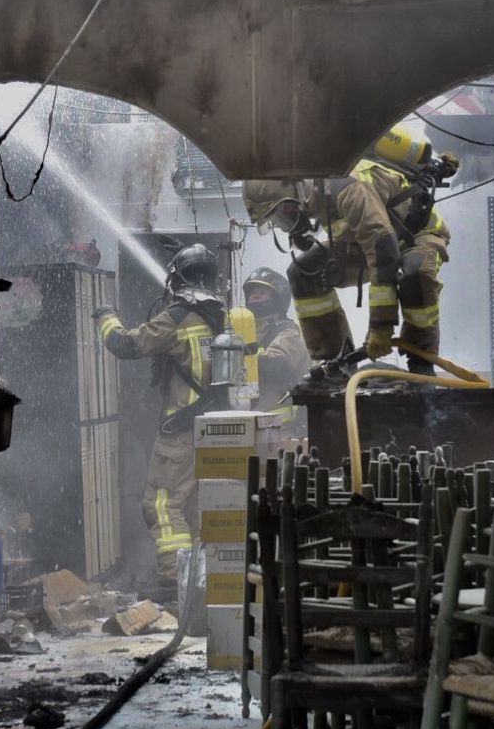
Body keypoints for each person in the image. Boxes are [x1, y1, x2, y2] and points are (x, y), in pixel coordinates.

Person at [243, 144, 456, 375]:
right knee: (302, 271)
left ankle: (421, 359)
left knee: (415, 274)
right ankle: (334, 361)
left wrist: (380, 327)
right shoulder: (315, 195)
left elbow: (383, 250)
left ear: (296, 193)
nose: (287, 224)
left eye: (284, 215)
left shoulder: (349, 190)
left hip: (416, 236)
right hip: (364, 244)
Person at [92, 243, 228, 594]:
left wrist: (105, 317)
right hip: (215, 429)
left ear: (178, 276)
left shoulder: (179, 316)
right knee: (197, 506)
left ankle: (175, 581)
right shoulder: (220, 314)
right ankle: (202, 581)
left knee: (162, 504)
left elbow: (125, 345)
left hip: (181, 431)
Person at [242, 266, 310, 435]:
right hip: (247, 422)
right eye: (252, 292)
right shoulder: (244, 331)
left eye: (262, 292)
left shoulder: (289, 332)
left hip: (279, 428)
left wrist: (238, 356)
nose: (254, 295)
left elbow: (278, 365)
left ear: (278, 298)